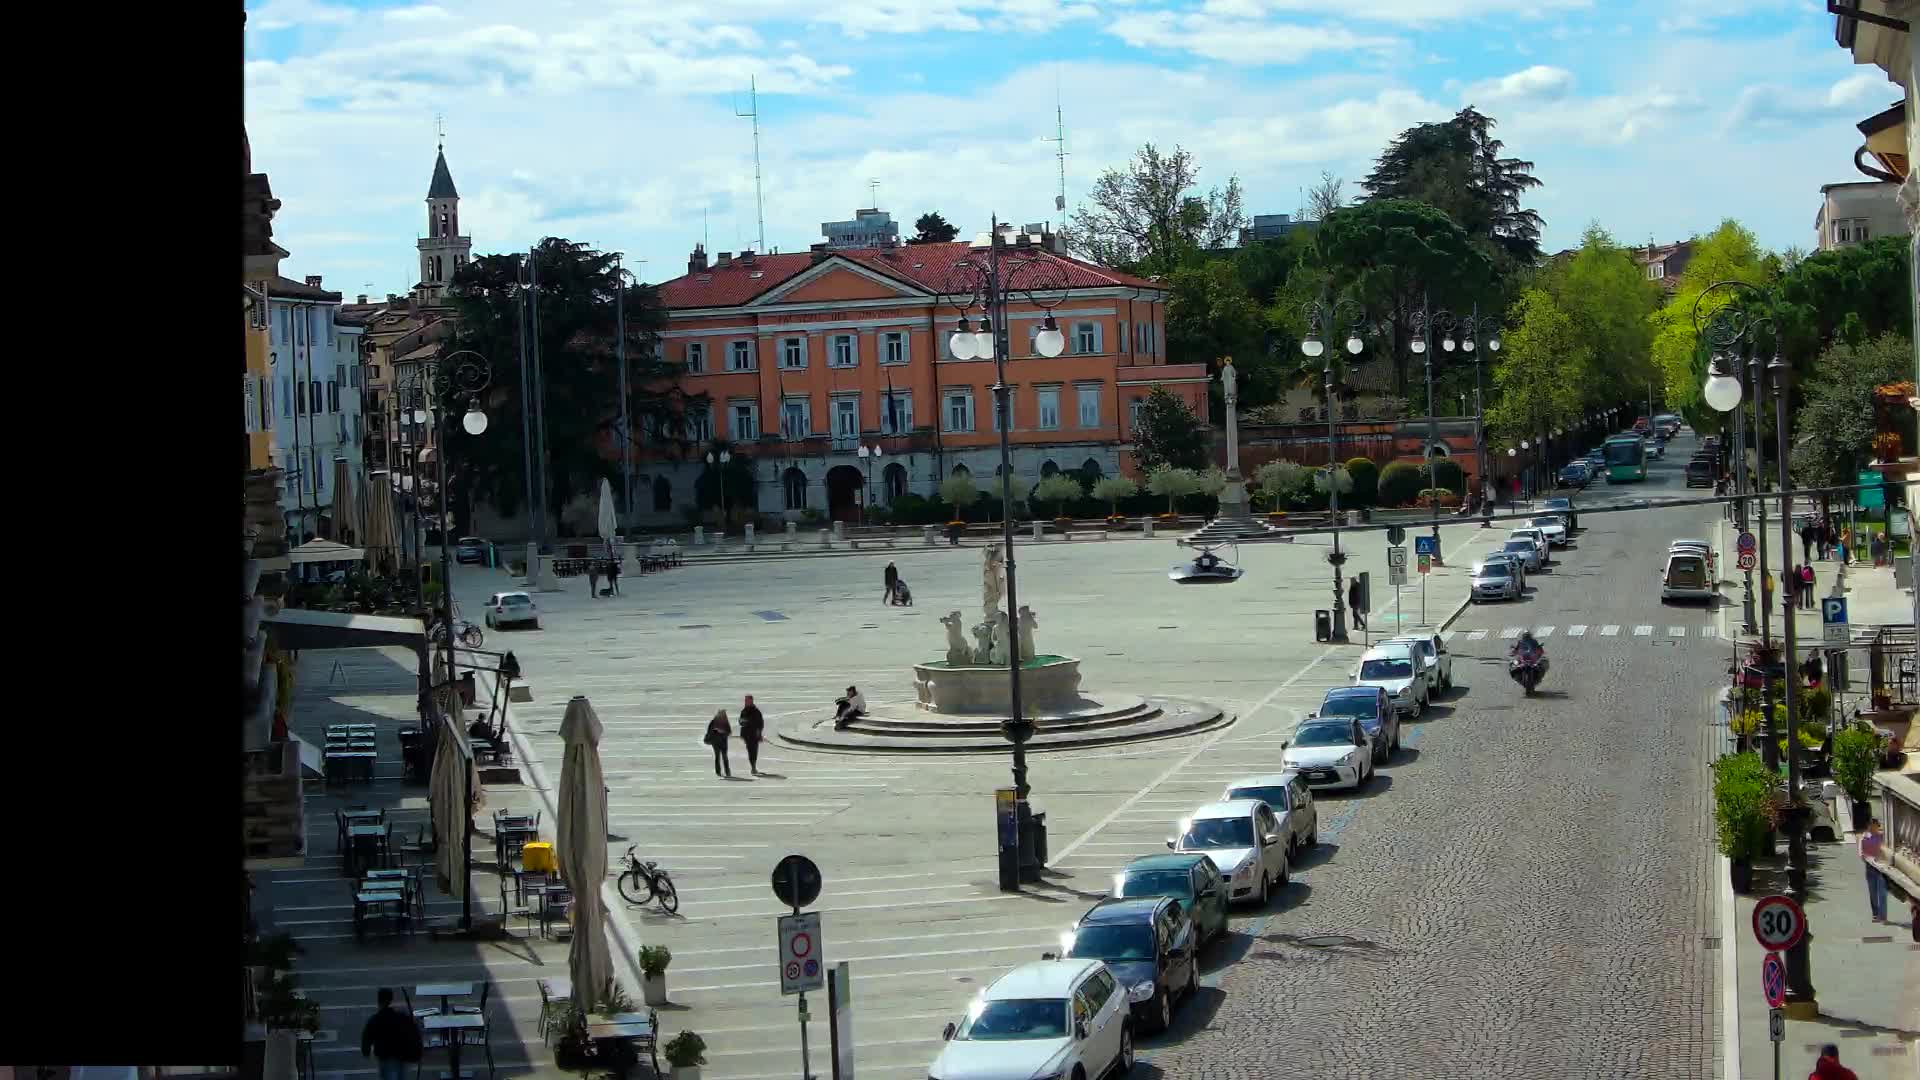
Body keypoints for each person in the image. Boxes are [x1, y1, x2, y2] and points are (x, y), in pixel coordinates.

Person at [360, 988, 422, 1080]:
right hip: (400, 1054)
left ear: (379, 1000)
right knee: (400, 1076)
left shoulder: (376, 1019)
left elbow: (367, 1036)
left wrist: (366, 1051)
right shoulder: (401, 1017)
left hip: (385, 1056)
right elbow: (413, 1031)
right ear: (391, 999)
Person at [1861, 817, 1888, 923]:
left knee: (1882, 893)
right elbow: (1862, 854)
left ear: (1877, 826)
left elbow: (1886, 851)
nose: (1872, 827)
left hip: (1881, 868)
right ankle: (1875, 914)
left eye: (1875, 825)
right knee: (1873, 893)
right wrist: (1870, 859)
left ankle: (1883, 916)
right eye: (1871, 825)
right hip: (1870, 868)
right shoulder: (1865, 837)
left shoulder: (1882, 837)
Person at [738, 694, 765, 776]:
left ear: (751, 701)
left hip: (754, 735)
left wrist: (759, 733)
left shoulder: (756, 711)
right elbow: (741, 722)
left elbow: (760, 723)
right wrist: (742, 722)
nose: (745, 702)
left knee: (753, 751)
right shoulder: (744, 711)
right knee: (750, 751)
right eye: (745, 700)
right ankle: (753, 767)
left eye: (747, 700)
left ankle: (753, 767)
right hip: (747, 735)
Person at [704, 709, 733, 778]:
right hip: (716, 742)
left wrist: (722, 732)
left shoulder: (725, 722)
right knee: (718, 757)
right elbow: (709, 732)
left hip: (723, 742)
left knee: (724, 757)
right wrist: (715, 731)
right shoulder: (713, 722)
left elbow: (729, 732)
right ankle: (718, 771)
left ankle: (727, 771)